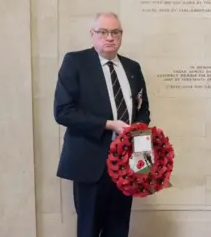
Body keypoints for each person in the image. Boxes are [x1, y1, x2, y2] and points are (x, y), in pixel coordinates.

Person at [54, 12, 150, 237]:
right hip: (91, 161)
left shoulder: (132, 68)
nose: (110, 37)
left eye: (115, 32)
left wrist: (142, 162)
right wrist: (108, 124)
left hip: (126, 163)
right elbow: (63, 112)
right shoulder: (75, 62)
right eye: (103, 32)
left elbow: (143, 111)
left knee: (119, 228)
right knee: (89, 229)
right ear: (92, 34)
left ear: (121, 35)